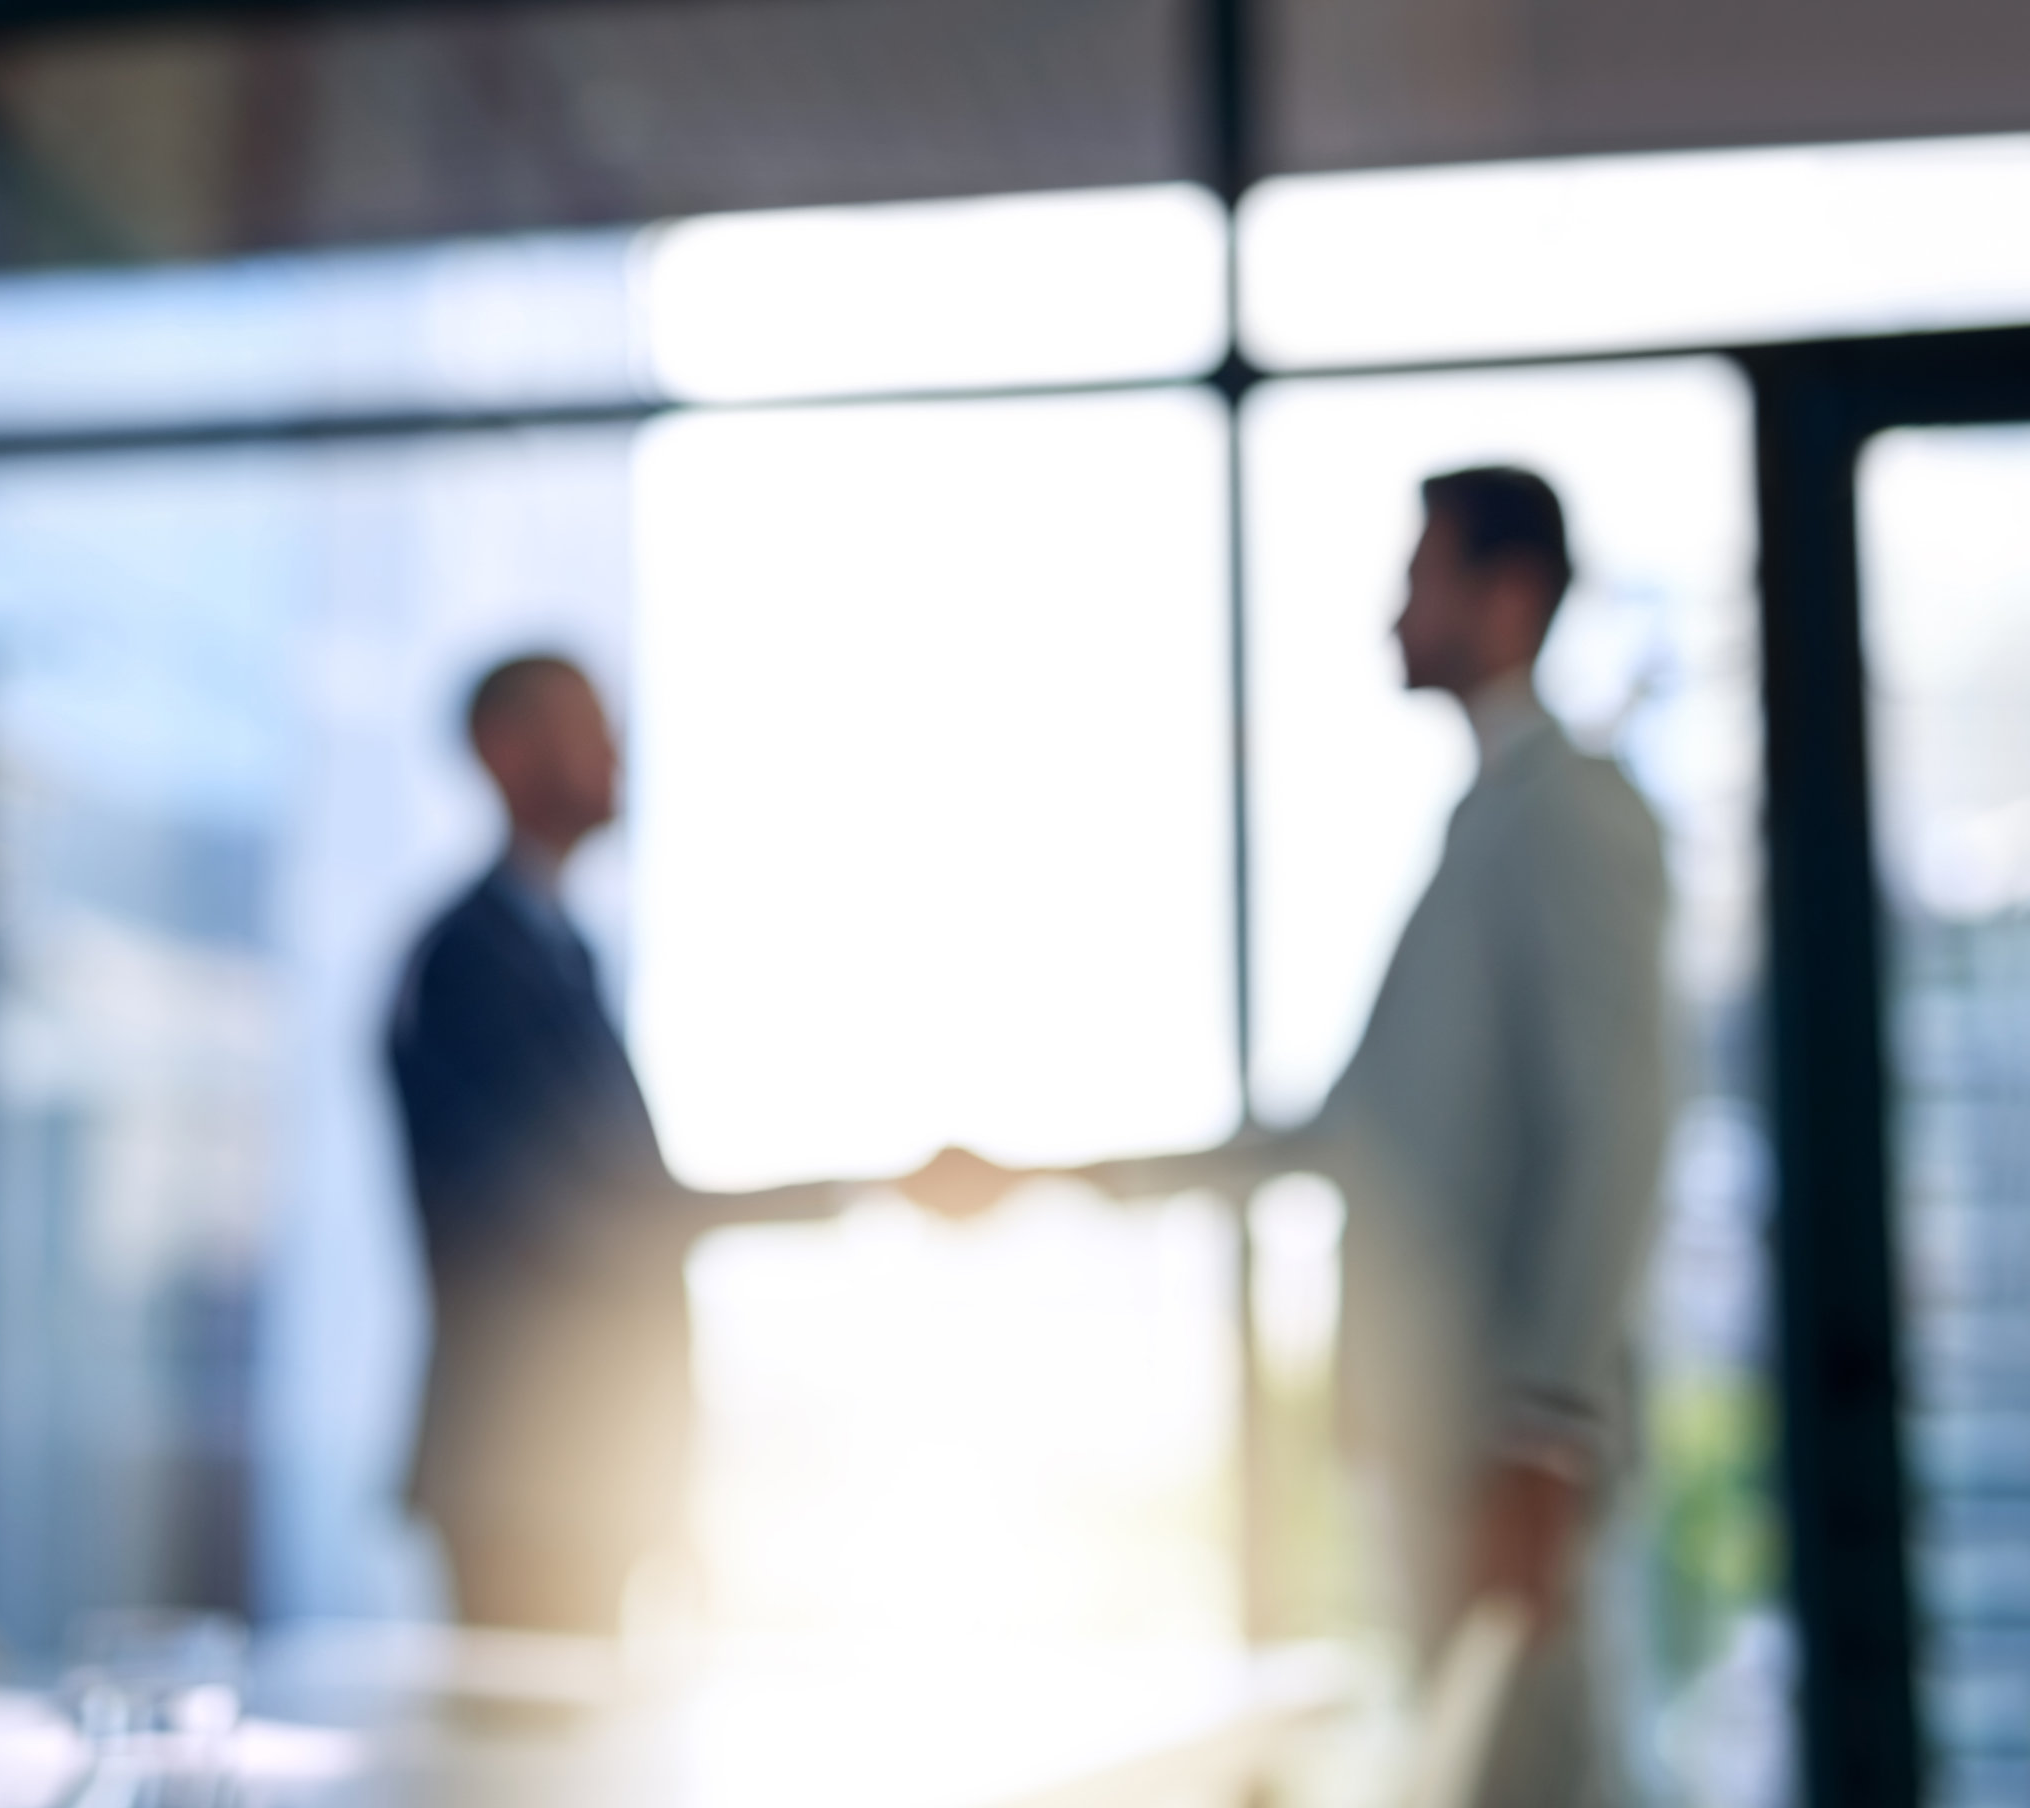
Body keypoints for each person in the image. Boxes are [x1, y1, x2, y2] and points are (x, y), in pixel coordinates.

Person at [1043, 468, 1665, 1806]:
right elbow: (1351, 1136)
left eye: (1418, 576)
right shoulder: (1483, 826)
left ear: (1507, 597)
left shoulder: (1572, 813)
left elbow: (1620, 1125)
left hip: (1504, 1449)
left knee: (1540, 1775)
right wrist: (1076, 1178)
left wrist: (1548, 1438)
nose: (1394, 610)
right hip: (1442, 1439)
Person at [387, 653, 998, 1635]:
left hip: (592, 1461)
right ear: (505, 752)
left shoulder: (553, 948)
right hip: (529, 1468)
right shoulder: (471, 962)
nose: (613, 750)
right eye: (584, 727)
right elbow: (594, 1214)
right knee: (535, 1776)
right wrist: (873, 1190)